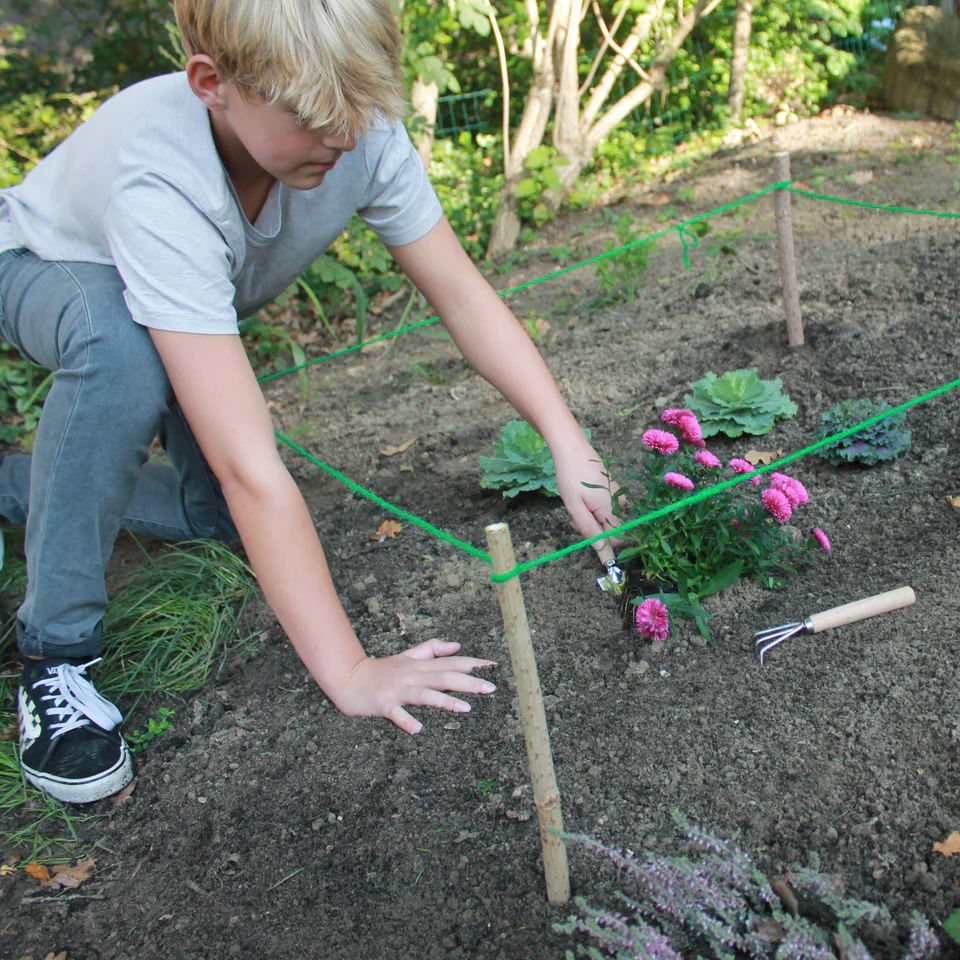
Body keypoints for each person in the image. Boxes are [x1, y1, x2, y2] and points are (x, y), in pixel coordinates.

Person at [0, 0, 618, 805]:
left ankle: (16, 486)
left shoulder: (353, 125)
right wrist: (353, 670)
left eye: (357, 114)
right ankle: (56, 653)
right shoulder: (159, 177)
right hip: (45, 266)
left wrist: (566, 441)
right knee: (121, 354)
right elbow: (249, 463)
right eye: (315, 118)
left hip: (179, 293)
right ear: (212, 84)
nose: (342, 139)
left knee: (217, 518)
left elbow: (462, 297)